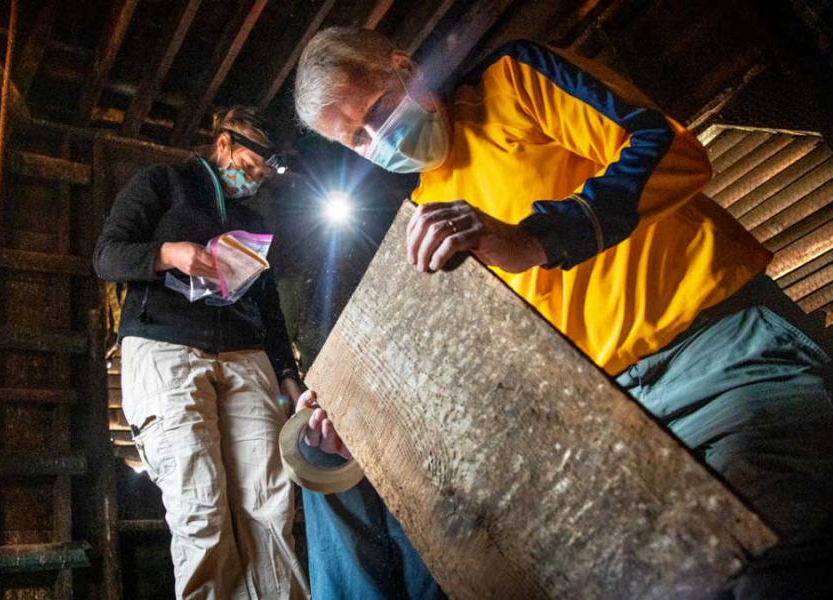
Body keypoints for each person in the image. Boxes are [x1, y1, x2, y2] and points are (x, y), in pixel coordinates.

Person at [291, 27, 833, 599]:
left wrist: (540, 237)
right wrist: (370, 431)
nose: (378, 137)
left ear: (404, 68)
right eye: (357, 138)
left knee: (774, 560)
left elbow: (669, 150)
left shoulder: (513, 82)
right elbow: (476, 370)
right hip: (608, 430)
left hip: (718, 348)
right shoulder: (424, 214)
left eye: (377, 110)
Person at [93, 106, 310, 599]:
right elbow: (106, 256)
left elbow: (268, 305)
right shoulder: (163, 183)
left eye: (262, 175)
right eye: (248, 167)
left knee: (271, 503)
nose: (252, 180)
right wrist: (168, 253)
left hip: (246, 356)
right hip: (167, 346)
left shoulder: (252, 220)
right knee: (202, 506)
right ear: (224, 145)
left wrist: (286, 373)